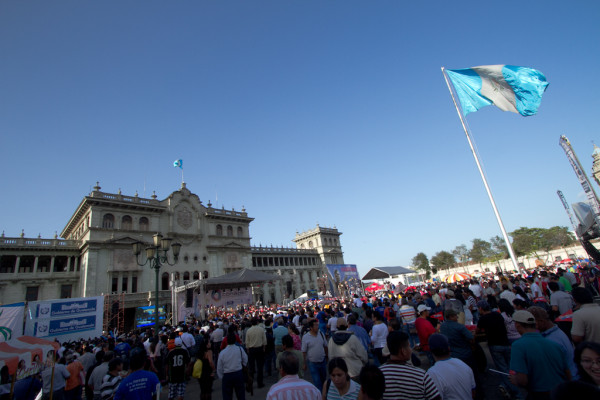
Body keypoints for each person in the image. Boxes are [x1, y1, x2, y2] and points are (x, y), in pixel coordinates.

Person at [509, 310, 571, 398]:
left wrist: (515, 379)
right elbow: (567, 372)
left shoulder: (518, 346)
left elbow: (522, 380)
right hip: (561, 391)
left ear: (517, 325)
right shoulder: (554, 343)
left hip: (539, 393)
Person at [476, 300, 519, 399]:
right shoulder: (497, 315)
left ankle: (516, 392)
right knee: (510, 367)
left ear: (481, 308)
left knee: (503, 369)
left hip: (495, 345)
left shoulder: (483, 319)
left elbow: (477, 331)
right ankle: (507, 386)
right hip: (505, 343)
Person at [379, 331, 440, 400]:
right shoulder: (421, 376)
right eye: (409, 346)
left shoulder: (378, 374)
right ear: (403, 351)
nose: (411, 350)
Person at [528, 306, 579, 380]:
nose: (533, 328)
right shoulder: (557, 332)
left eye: (533, 324)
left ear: (541, 322)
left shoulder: (551, 340)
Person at [425, 334, 476, 400]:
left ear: (431, 350)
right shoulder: (463, 364)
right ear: (449, 348)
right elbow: (473, 392)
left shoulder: (432, 373)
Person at [217, 333, 248, 400]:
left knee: (227, 396)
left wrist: (221, 377)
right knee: (241, 395)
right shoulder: (239, 349)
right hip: (238, 373)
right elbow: (245, 359)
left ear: (227, 341)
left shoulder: (223, 352)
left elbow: (219, 367)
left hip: (227, 375)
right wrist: (242, 366)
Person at [302, 319, 328, 392]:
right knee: (317, 383)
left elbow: (325, 346)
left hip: (322, 361)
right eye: (315, 325)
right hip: (312, 363)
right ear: (311, 327)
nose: (317, 326)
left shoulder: (321, 334)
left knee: (323, 380)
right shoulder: (306, 337)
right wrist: (304, 363)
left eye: (317, 325)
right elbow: (303, 351)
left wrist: (327, 356)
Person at [245, 318, 266, 389]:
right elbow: (264, 340)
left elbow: (247, 342)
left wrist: (248, 349)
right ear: (257, 322)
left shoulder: (249, 330)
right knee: (260, 367)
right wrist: (263, 348)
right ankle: (260, 383)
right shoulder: (261, 329)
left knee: (251, 367)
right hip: (259, 349)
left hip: (251, 349)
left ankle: (250, 383)